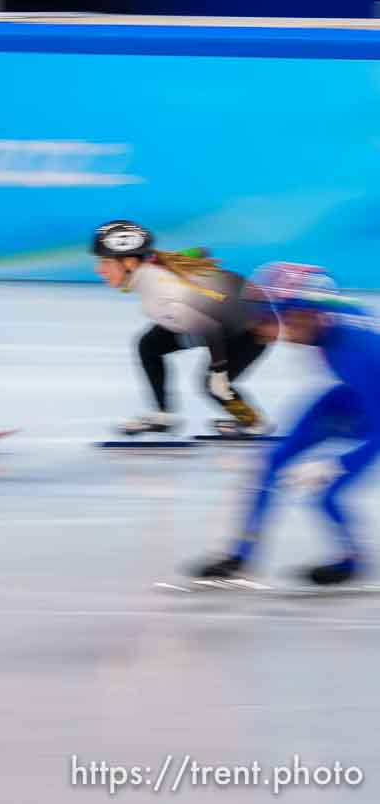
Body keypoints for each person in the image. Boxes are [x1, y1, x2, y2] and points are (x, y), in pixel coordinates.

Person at [190, 264, 380, 587]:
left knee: (327, 491)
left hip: (368, 395)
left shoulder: (357, 351)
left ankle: (352, 560)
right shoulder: (329, 327)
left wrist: (338, 463)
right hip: (358, 395)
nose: (260, 328)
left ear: (303, 313)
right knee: (273, 461)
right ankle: (239, 556)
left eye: (268, 317)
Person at [91, 220, 272, 437]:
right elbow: (201, 251)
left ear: (129, 262)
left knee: (213, 386)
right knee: (150, 344)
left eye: (105, 262)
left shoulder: (162, 296)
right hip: (222, 313)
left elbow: (210, 328)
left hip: (251, 329)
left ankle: (253, 422)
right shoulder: (153, 263)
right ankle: (163, 416)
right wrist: (194, 259)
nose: (99, 270)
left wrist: (219, 373)